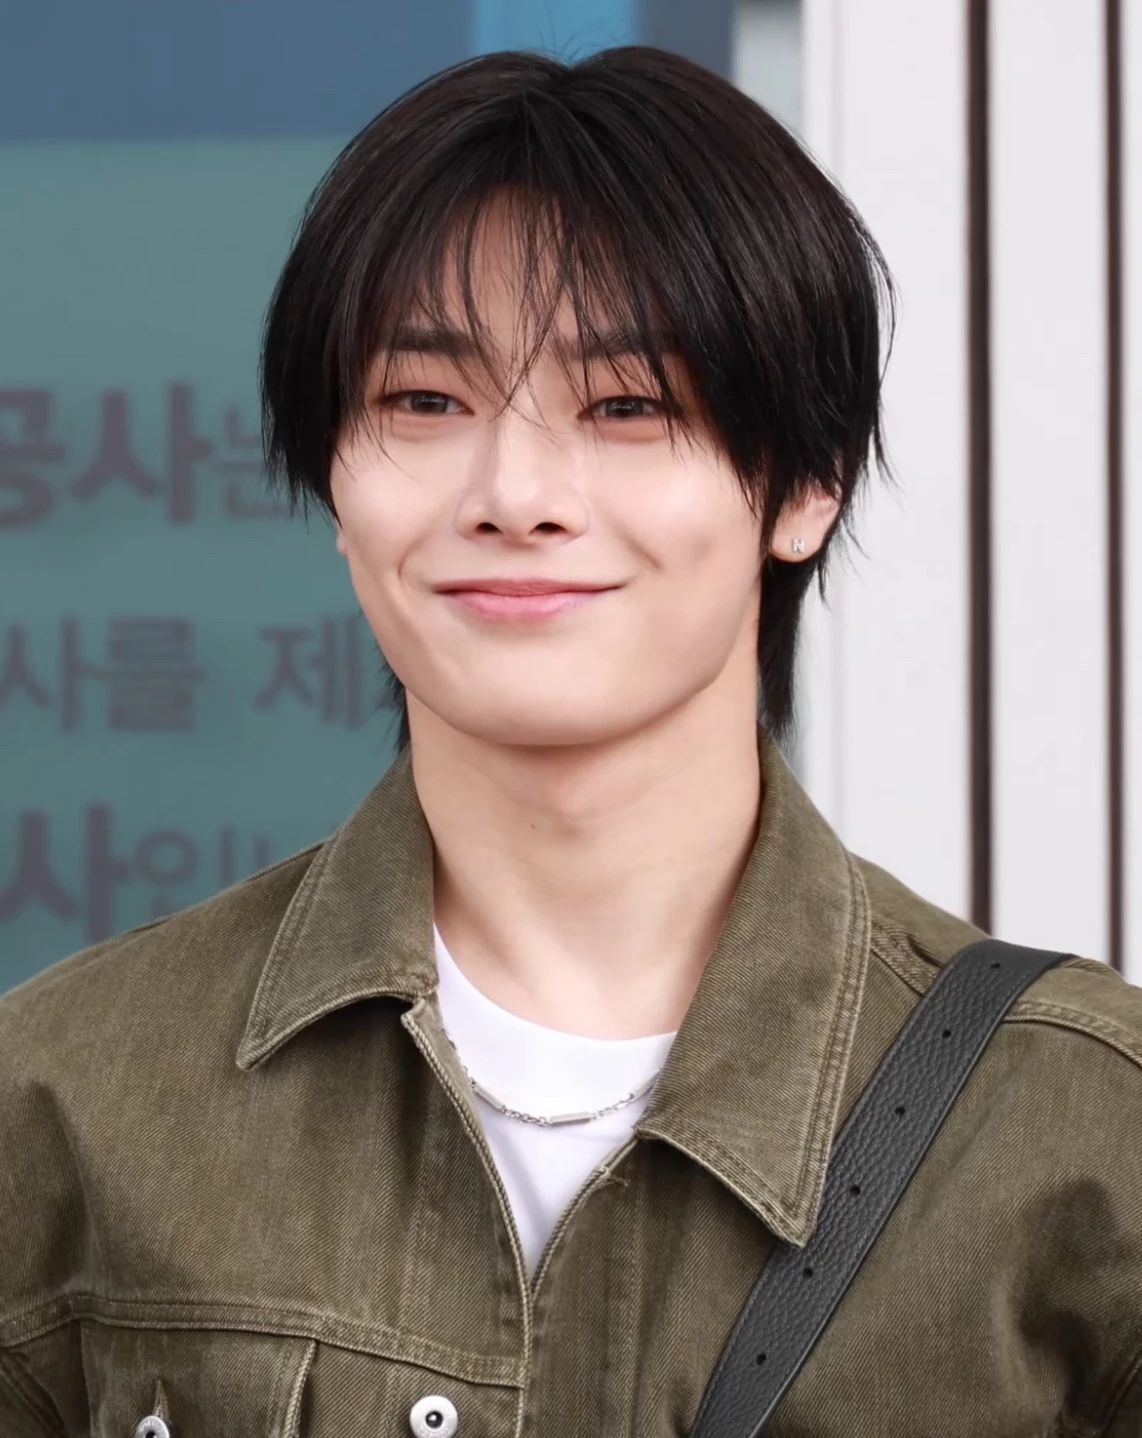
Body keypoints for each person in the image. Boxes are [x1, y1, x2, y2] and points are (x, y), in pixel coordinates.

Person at [2, 45, 1141, 1438]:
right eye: (425, 402)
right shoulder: (67, 1093)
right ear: (333, 478)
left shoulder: (1081, 1130)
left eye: (628, 405)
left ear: (806, 483)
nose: (516, 492)